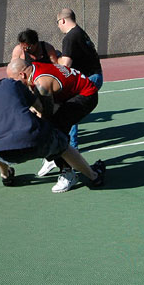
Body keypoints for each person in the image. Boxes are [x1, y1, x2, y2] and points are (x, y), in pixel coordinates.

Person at [0, 66, 105, 192]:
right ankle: (93, 176)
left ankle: (6, 176)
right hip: (37, 140)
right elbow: (40, 107)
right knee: (63, 145)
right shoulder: (12, 84)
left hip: (7, 154)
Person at [7, 59, 99, 192]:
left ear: (22, 75)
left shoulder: (42, 83)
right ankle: (57, 158)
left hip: (86, 96)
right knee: (49, 130)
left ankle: (67, 172)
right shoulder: (33, 68)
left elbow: (47, 113)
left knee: (54, 131)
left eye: (12, 79)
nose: (12, 83)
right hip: (72, 93)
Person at [41, 8, 103, 176]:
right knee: (68, 111)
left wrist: (53, 59)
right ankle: (66, 151)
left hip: (89, 78)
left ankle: (68, 151)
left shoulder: (70, 37)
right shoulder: (79, 33)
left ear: (62, 21)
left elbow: (65, 65)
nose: (58, 27)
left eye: (57, 23)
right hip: (91, 75)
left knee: (69, 110)